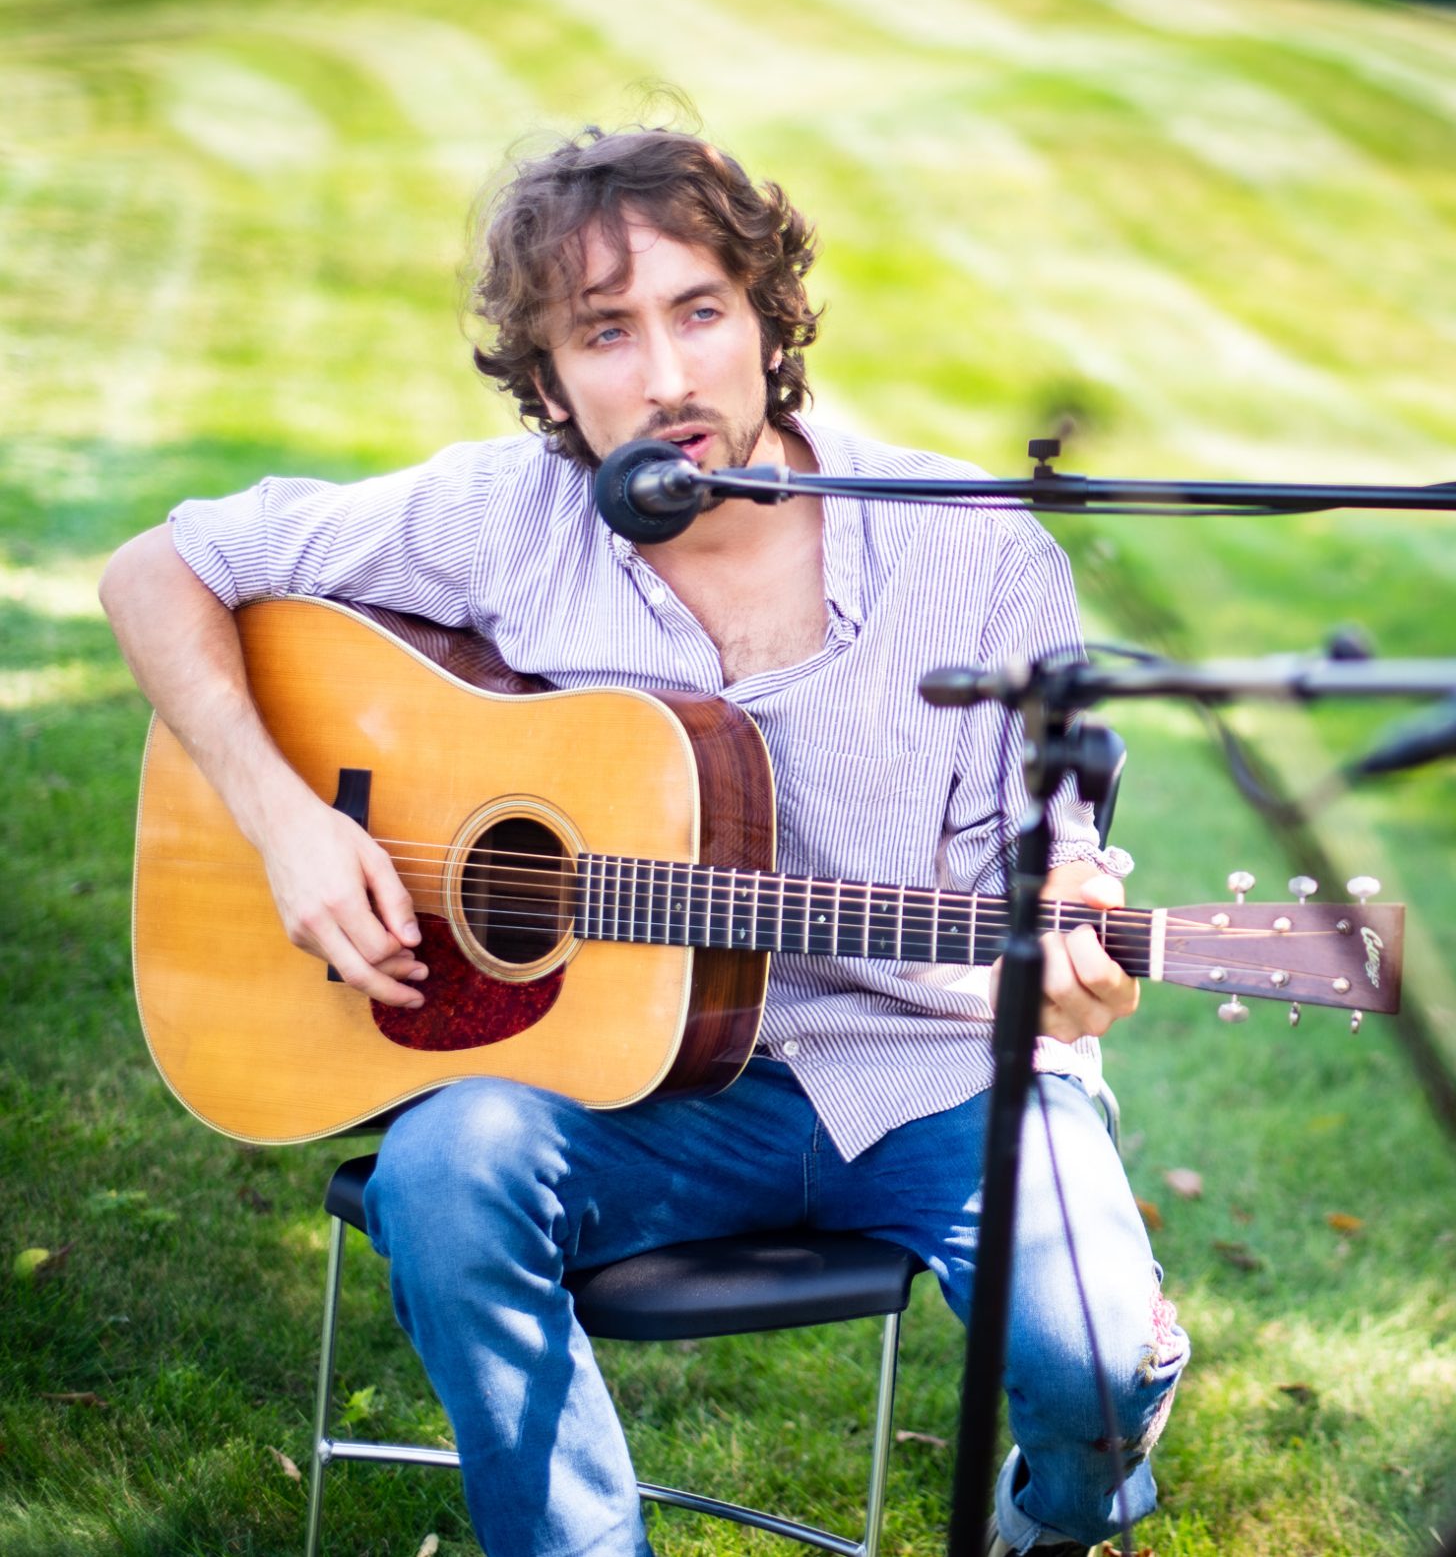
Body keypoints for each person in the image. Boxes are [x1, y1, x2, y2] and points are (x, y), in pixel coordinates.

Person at [99, 126, 1187, 1557]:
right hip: (637, 1089)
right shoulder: (505, 518)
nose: (666, 377)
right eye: (605, 332)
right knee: (444, 1167)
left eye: (699, 312)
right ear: (546, 378)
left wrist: (1070, 940)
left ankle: (1068, 1502)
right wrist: (286, 821)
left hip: (937, 1070)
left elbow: (1046, 862)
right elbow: (157, 569)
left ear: (768, 323)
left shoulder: (977, 550)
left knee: (1094, 1360)